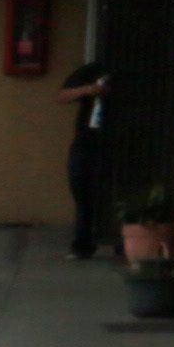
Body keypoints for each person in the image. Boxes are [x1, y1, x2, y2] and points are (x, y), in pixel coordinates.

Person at [61, 55, 120, 259]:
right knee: (81, 188)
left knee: (114, 191)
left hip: (115, 140)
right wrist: (88, 90)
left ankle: (120, 241)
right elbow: (62, 95)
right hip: (86, 140)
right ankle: (82, 243)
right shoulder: (93, 70)